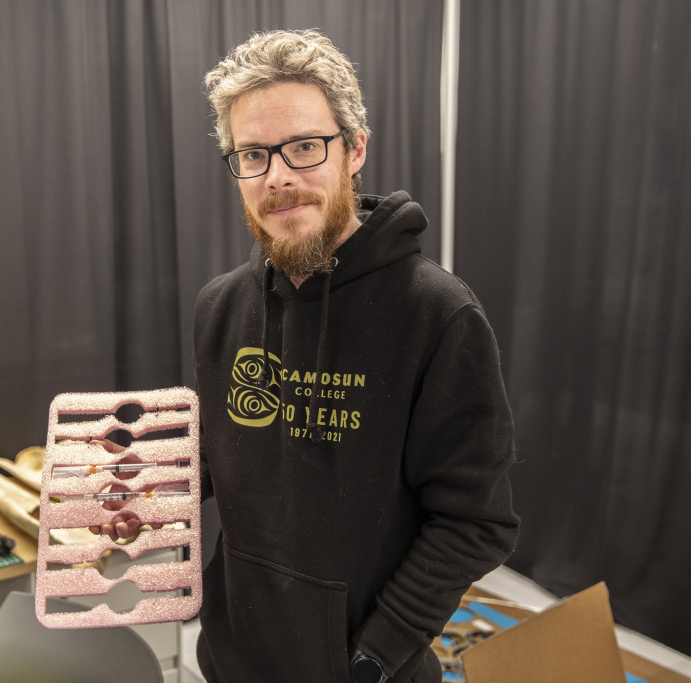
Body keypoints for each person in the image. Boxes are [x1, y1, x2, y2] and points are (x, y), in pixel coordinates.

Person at [190, 29, 520, 683]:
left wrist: (373, 655)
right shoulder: (220, 306)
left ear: (355, 148)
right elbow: (222, 458)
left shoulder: (438, 314)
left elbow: (474, 520)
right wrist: (133, 490)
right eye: (252, 154)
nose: (278, 177)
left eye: (304, 147)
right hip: (232, 664)